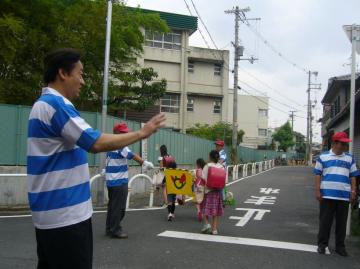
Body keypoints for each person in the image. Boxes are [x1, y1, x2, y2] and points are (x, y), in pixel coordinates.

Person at [27, 48, 165, 269]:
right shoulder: (56, 105)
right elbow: (95, 142)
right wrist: (142, 132)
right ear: (63, 73)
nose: (82, 81)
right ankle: (114, 228)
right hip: (65, 213)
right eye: (80, 74)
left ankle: (114, 227)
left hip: (53, 212)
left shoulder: (42, 105)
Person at [105, 123, 154, 239]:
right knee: (119, 208)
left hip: (111, 181)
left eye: (126, 132)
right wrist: (144, 163)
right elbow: (131, 155)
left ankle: (109, 228)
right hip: (119, 182)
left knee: (112, 206)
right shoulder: (120, 144)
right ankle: (116, 230)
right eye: (123, 133)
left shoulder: (110, 144)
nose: (126, 134)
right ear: (117, 133)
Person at [314, 132, 359, 257]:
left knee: (341, 223)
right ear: (334, 143)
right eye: (342, 143)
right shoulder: (323, 157)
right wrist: (317, 190)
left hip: (343, 196)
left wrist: (353, 191)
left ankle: (340, 247)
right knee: (325, 222)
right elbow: (317, 174)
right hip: (327, 195)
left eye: (345, 143)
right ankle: (322, 245)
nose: (345, 145)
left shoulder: (350, 158)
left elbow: (353, 176)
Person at [201, 150, 225, 235]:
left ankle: (207, 223)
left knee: (204, 208)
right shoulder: (221, 167)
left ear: (210, 157)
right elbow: (225, 181)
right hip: (218, 191)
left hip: (208, 190)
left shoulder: (207, 166)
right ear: (218, 158)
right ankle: (214, 229)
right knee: (216, 211)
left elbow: (203, 178)